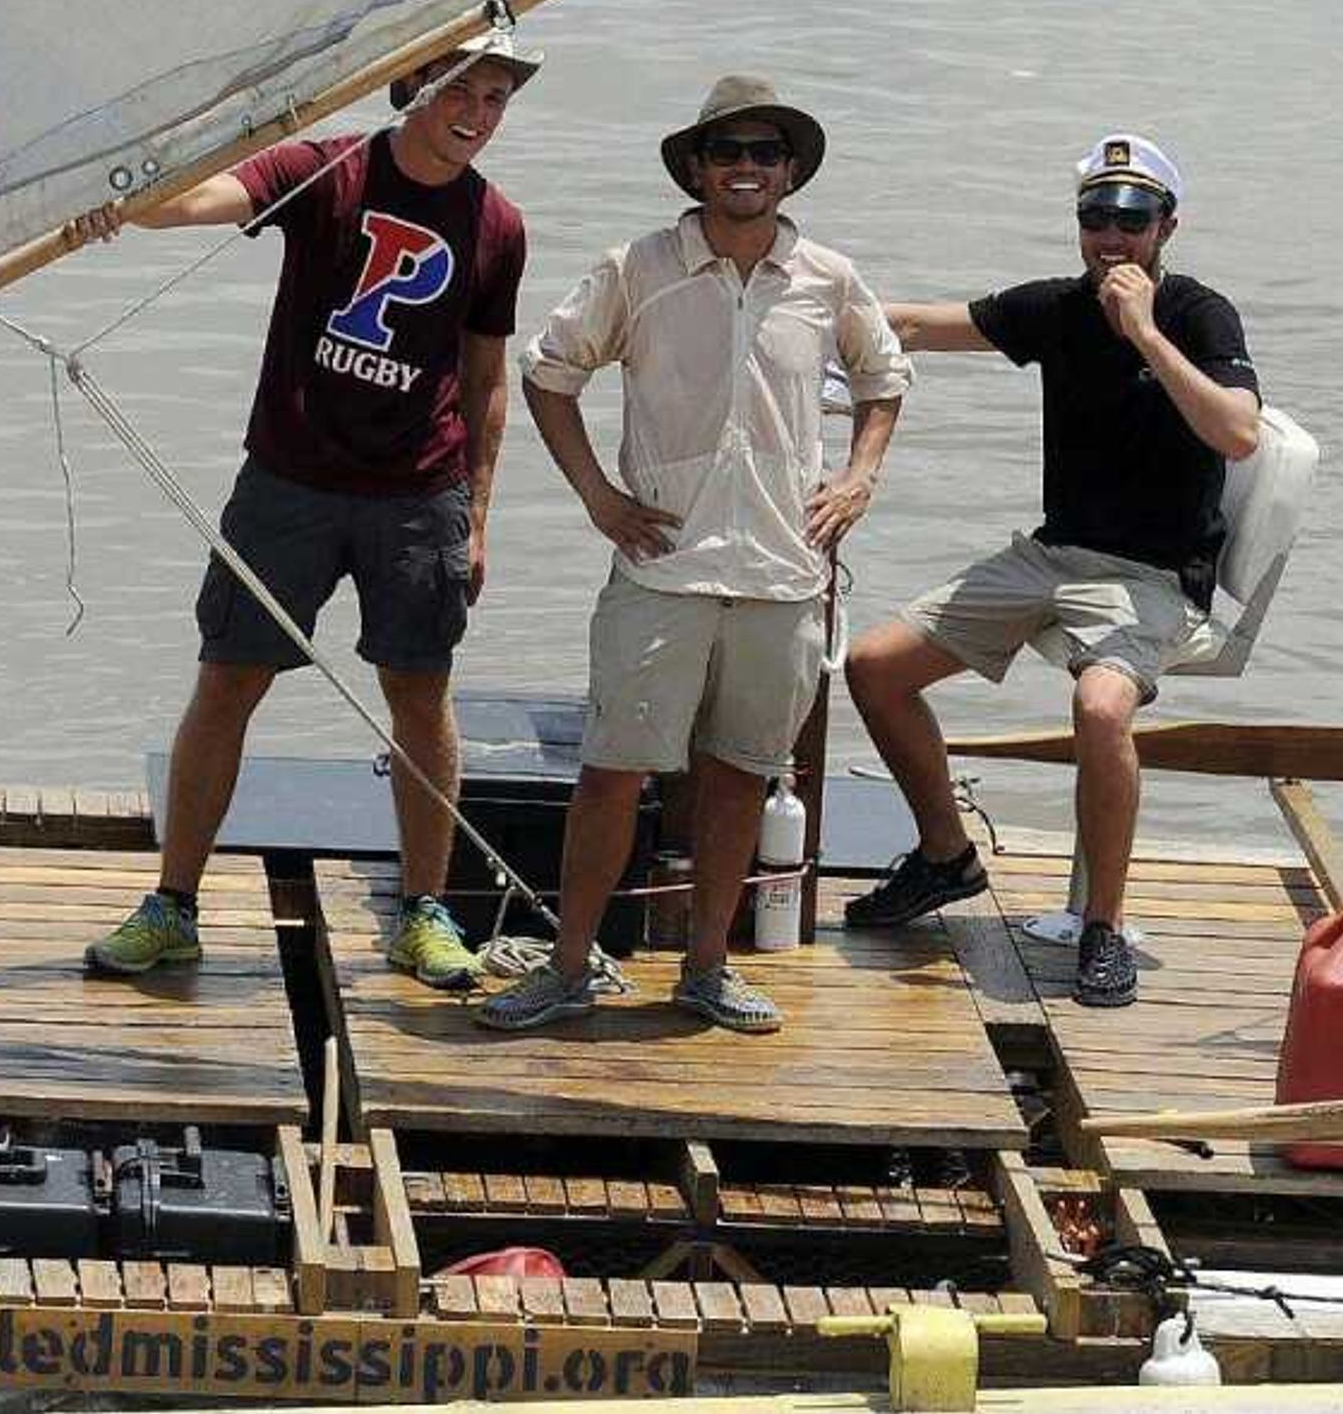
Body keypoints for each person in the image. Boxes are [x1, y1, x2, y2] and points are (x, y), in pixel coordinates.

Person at [67, 23, 537, 989]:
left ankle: (424, 912)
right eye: (462, 92)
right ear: (412, 83)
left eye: (495, 100)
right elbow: (198, 197)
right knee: (228, 679)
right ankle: (173, 905)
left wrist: (479, 514)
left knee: (419, 694)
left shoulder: (498, 226)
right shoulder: (326, 169)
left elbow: (489, 376)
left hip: (420, 494)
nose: (478, 117)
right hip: (289, 480)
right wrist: (112, 202)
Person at [476, 76, 908, 1035]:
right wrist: (598, 496)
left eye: (764, 152)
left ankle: (708, 968)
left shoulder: (829, 279)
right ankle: (569, 964)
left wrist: (860, 478)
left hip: (784, 573)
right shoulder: (637, 267)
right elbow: (549, 375)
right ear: (697, 169)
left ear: (789, 171)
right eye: (727, 152)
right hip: (661, 566)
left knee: (742, 774)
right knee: (611, 772)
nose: (745, 168)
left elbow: (886, 377)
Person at [838, 133, 1260, 1008]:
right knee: (874, 666)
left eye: (1132, 220)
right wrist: (800, 302)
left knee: (1100, 703)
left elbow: (1238, 432)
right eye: (1096, 217)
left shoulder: (1198, 313)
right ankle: (947, 856)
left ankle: (1102, 925)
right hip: (1049, 553)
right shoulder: (1055, 309)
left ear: (1166, 227)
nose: (1112, 236)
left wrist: (1142, 331)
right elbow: (913, 324)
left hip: (1151, 574)